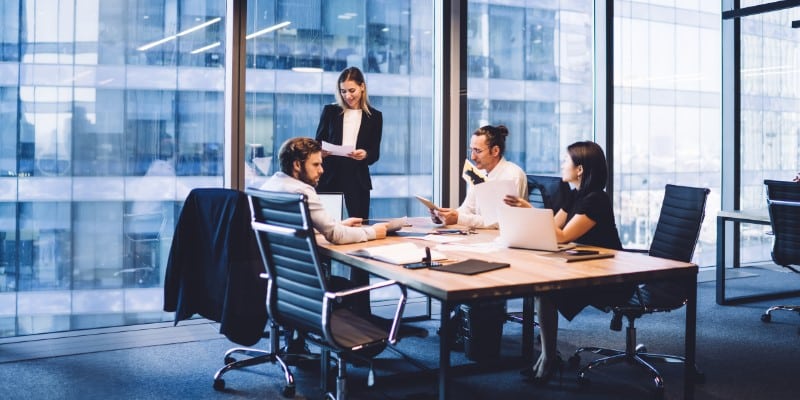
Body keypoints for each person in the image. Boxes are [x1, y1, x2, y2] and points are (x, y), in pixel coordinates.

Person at [503, 140, 634, 385]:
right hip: (585, 268)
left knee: (546, 293)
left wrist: (529, 212)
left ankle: (548, 358)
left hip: (610, 277)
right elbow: (555, 226)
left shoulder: (596, 200)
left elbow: (563, 236)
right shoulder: (575, 195)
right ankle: (548, 356)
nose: (562, 165)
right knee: (543, 289)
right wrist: (528, 208)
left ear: (580, 169)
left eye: (566, 161)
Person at [260, 136, 387, 245]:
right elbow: (336, 236)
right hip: (305, 271)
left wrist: (338, 225)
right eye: (315, 164)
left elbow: (294, 228)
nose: (321, 170)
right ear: (297, 165)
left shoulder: (270, 185)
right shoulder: (302, 191)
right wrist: (373, 231)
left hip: (281, 269)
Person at [315, 66, 382, 220]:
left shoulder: (375, 117)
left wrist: (365, 154)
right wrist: (321, 151)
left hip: (357, 179)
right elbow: (317, 142)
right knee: (326, 223)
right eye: (343, 91)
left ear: (362, 87)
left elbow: (374, 154)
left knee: (359, 225)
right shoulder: (330, 111)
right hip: (330, 176)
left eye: (352, 90)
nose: (347, 96)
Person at [434, 124, 528, 228]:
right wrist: (444, 215)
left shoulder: (512, 175)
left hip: (503, 239)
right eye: (471, 150)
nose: (472, 157)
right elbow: (468, 209)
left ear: (495, 151)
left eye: (478, 151)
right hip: (482, 236)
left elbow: (500, 221)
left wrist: (458, 218)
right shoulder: (480, 173)